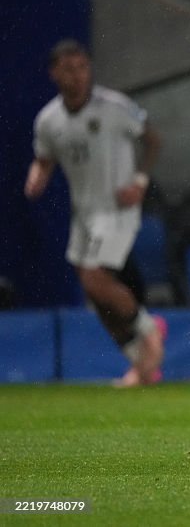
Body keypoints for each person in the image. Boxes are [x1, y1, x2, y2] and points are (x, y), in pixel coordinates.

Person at [24, 39, 164, 386]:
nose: (78, 75)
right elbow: (44, 160)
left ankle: (150, 328)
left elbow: (153, 140)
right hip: (83, 213)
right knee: (95, 296)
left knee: (94, 278)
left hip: (117, 208)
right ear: (54, 73)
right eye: (69, 69)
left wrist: (140, 181)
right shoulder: (48, 120)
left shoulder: (114, 107)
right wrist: (36, 180)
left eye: (83, 67)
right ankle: (139, 362)